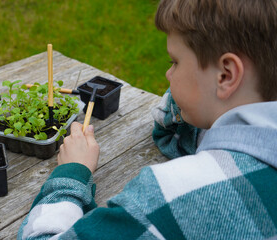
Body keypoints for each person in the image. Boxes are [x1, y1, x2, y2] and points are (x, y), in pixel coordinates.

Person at [18, 0, 277, 239]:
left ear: (226, 75)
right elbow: (171, 133)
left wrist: (71, 175)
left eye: (174, 61)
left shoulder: (171, 196)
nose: (167, 74)